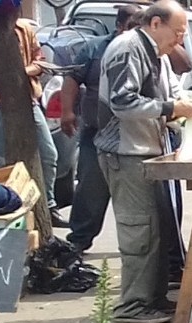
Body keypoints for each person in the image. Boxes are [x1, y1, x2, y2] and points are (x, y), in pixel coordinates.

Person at [95, 0, 192, 323]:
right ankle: (133, 305)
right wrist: (170, 108)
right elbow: (123, 102)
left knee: (157, 229)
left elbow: (173, 91)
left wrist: (185, 104)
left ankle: (153, 298)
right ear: (155, 24)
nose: (179, 40)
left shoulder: (158, 54)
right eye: (177, 32)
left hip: (150, 150)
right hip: (124, 152)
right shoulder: (126, 48)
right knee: (139, 230)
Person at [0, 20, 66, 227]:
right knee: (3, 159)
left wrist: (21, 71)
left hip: (28, 101)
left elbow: (40, 62)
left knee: (48, 154)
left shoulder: (25, 30)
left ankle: (48, 206)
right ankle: (9, 206)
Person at [60, 3, 139, 253]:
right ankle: (78, 242)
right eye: (132, 27)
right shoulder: (94, 49)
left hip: (136, 138)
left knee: (139, 199)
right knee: (90, 189)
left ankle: (147, 250)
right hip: (97, 132)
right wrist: (67, 112)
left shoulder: (151, 49)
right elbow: (72, 78)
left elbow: (185, 65)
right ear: (119, 26)